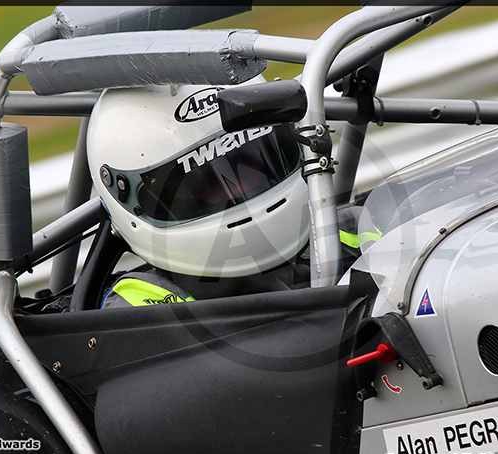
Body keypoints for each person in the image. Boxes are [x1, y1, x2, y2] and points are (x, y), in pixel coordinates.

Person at [85, 77, 363, 308]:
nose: (239, 189)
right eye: (205, 185)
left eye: (256, 164)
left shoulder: (356, 233)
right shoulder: (136, 312)